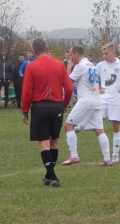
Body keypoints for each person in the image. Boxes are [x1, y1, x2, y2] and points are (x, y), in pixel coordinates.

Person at [21, 38, 73, 187]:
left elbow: (26, 91)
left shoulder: (31, 66)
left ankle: (53, 176)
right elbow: (69, 88)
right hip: (56, 106)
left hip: (40, 107)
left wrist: (25, 110)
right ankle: (49, 175)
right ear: (47, 48)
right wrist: (64, 104)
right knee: (54, 141)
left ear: (33, 51)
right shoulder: (59, 65)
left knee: (44, 143)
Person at [62, 46, 112, 167]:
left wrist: (69, 67)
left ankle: (74, 156)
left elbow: (68, 82)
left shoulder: (80, 66)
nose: (70, 57)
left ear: (76, 54)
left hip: (86, 101)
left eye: (71, 54)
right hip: (96, 101)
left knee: (68, 126)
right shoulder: (92, 65)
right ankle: (107, 159)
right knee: (99, 130)